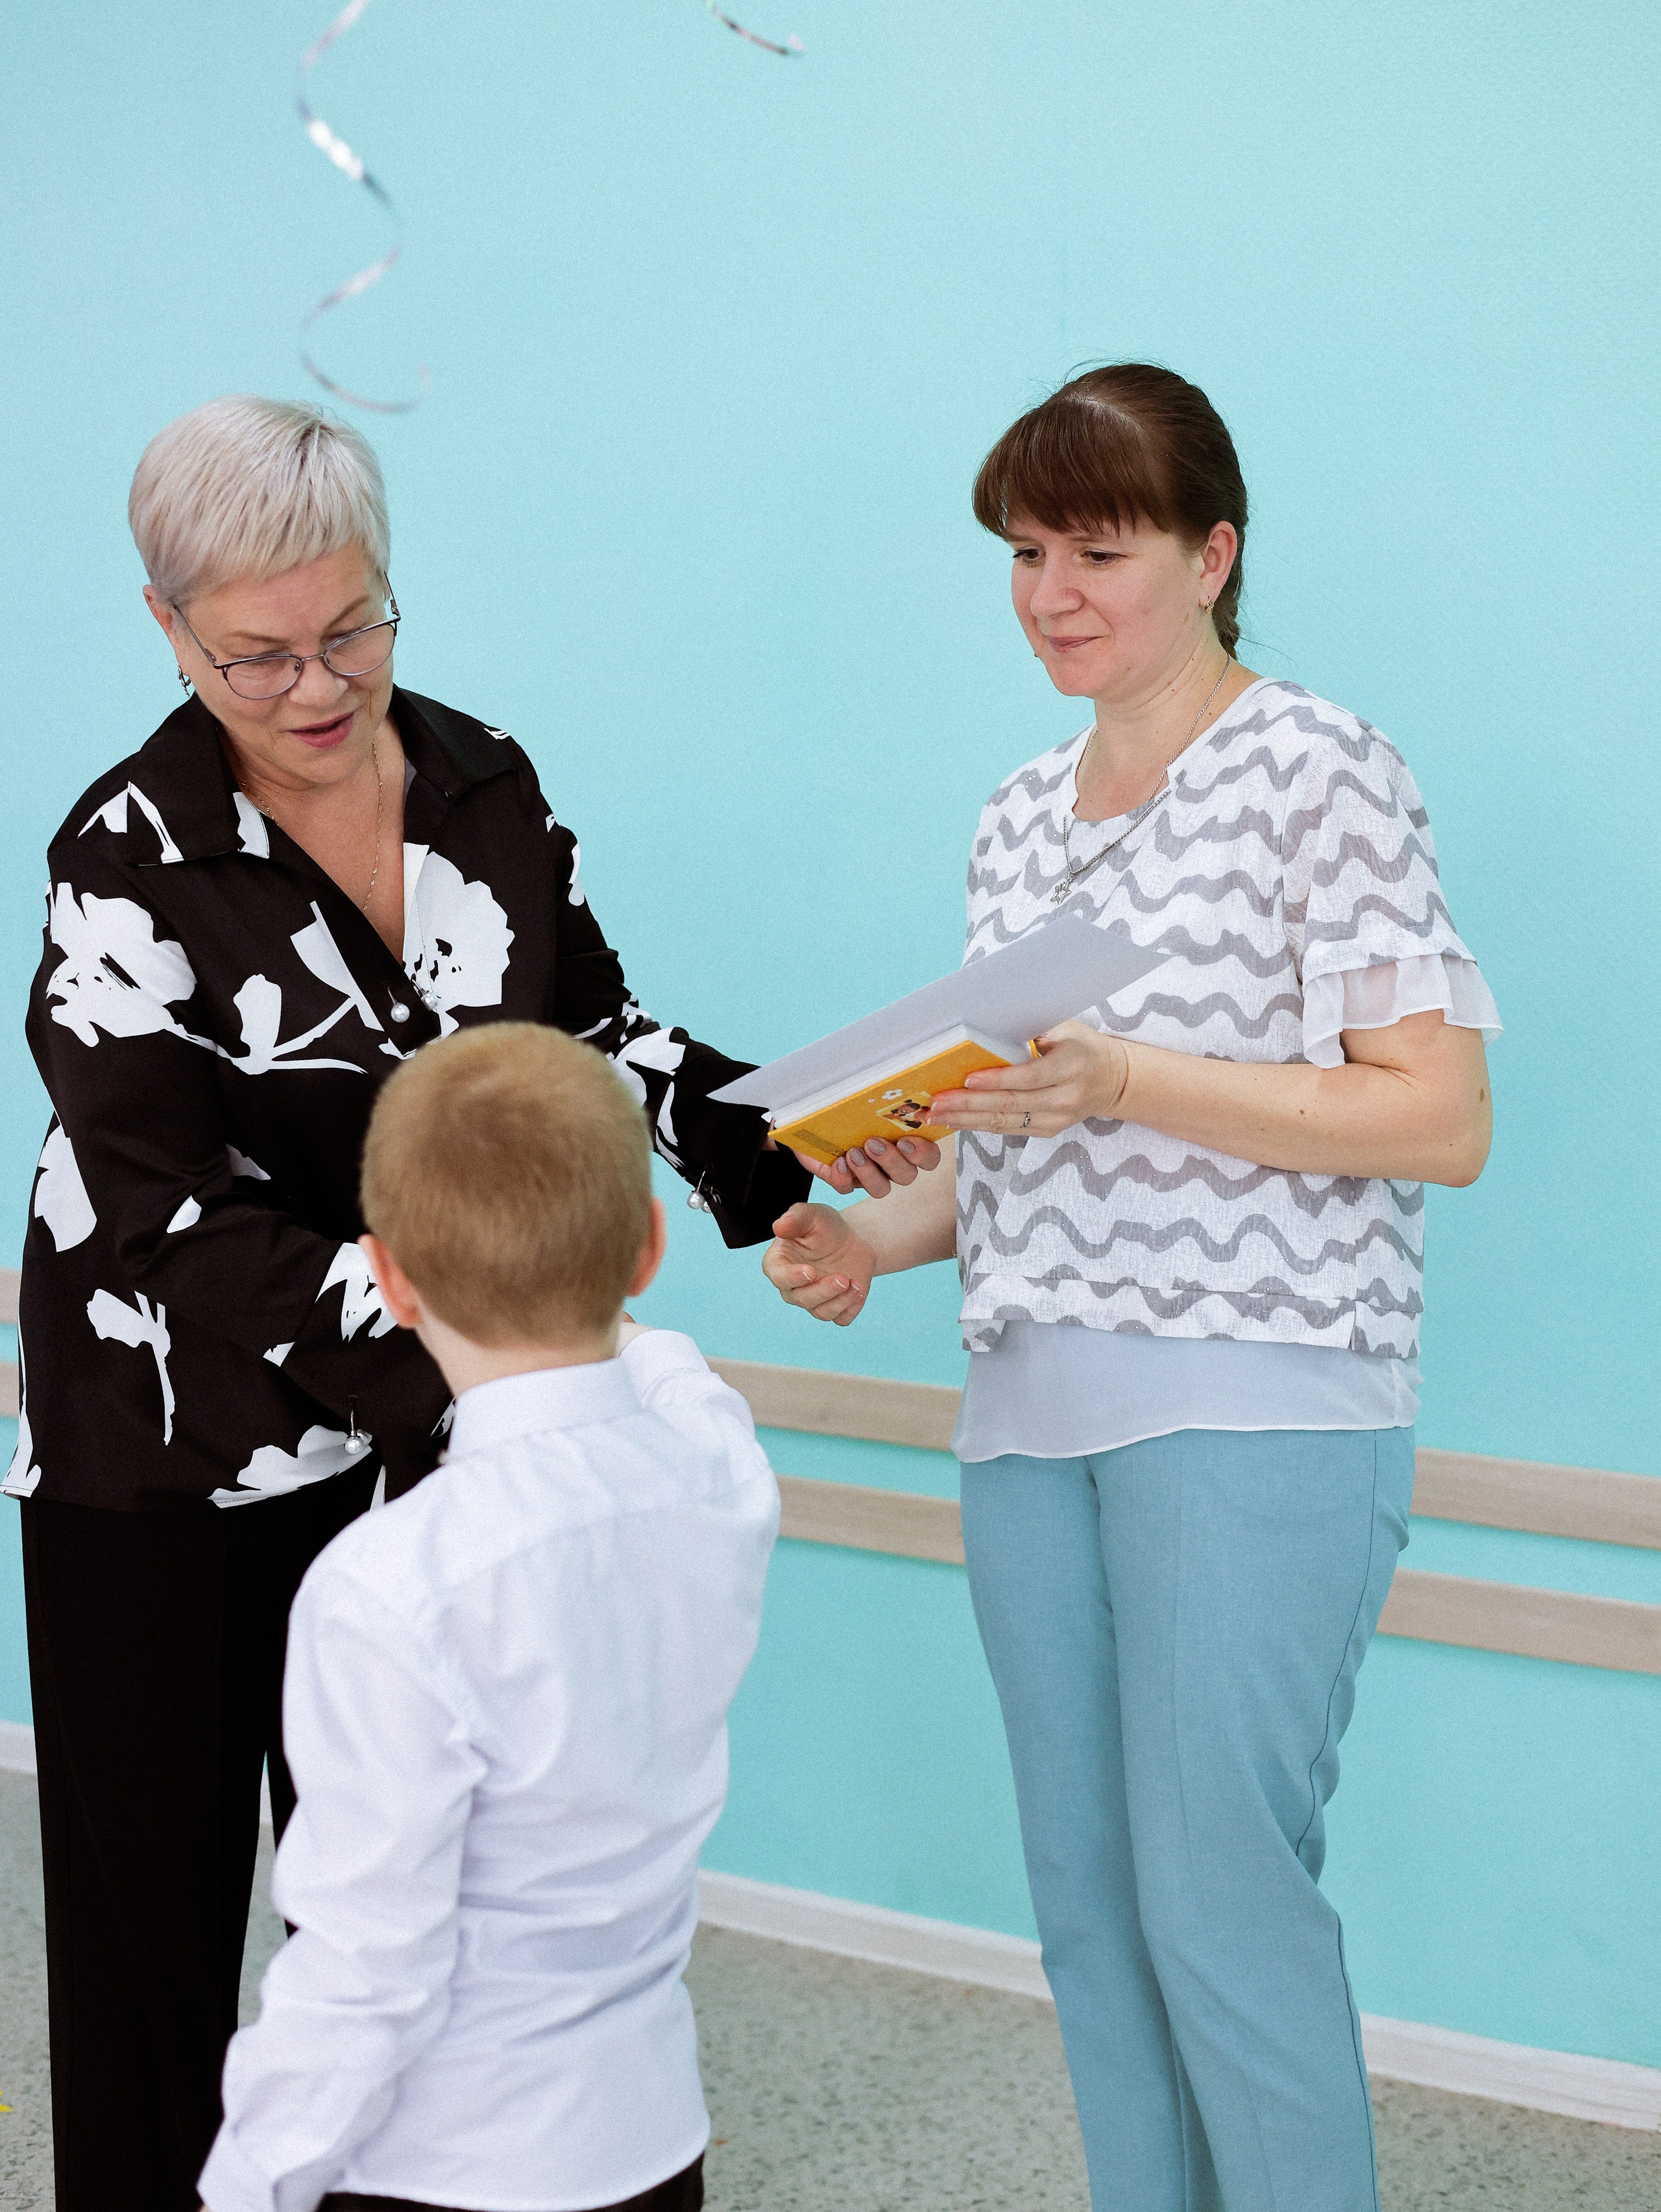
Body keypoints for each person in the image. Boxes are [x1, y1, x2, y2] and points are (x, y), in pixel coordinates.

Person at [8, 393, 931, 2212]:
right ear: (167, 626)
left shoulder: (484, 781)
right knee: (153, 1960)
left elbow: (591, 1033)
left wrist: (787, 1159)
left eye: (352, 627)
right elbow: (162, 1208)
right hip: (170, 1442)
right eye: (258, 652)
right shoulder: (122, 852)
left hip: (434, 1407)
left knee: (393, 1914)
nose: (317, 684)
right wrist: (469, 1311)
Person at [764, 363, 1499, 2212]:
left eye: (1098, 550)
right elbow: (1026, 1137)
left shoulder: (1322, 771)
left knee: (1217, 1902)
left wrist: (1125, 1079)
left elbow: (1438, 1116)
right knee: (1092, 1913)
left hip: (1256, 1397)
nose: (1051, 592)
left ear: (1211, 554)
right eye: (1026, 553)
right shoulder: (1017, 814)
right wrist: (871, 1235)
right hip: (1031, 1415)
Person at [196, 1020, 771, 2212]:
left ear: (388, 1278)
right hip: (651, 2148)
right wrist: (590, 1271)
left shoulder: (388, 1584)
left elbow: (366, 1966)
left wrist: (248, 2181)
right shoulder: (718, 1474)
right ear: (649, 1247)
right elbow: (681, 1378)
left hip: (445, 2171)